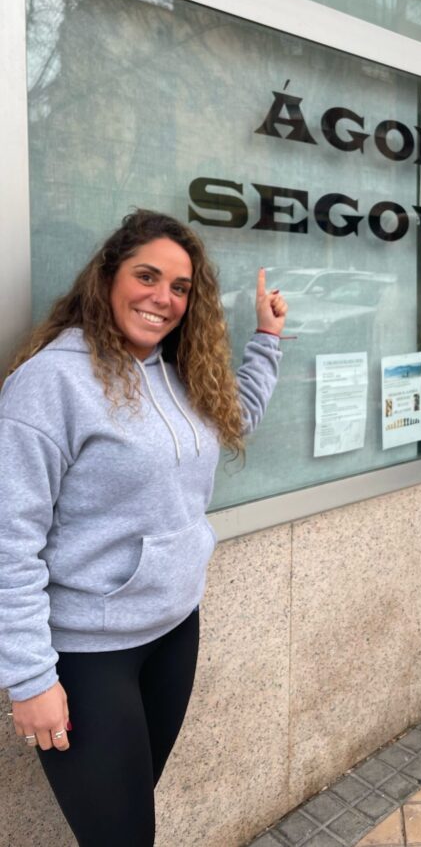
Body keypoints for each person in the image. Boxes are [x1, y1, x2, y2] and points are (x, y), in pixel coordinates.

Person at [0, 209, 287, 845]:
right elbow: (7, 542)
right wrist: (30, 678)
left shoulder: (180, 371)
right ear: (108, 277)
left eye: (180, 287)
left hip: (173, 632)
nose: (163, 298)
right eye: (147, 276)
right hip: (86, 656)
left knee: (129, 820)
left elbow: (234, 418)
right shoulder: (50, 383)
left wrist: (267, 339)